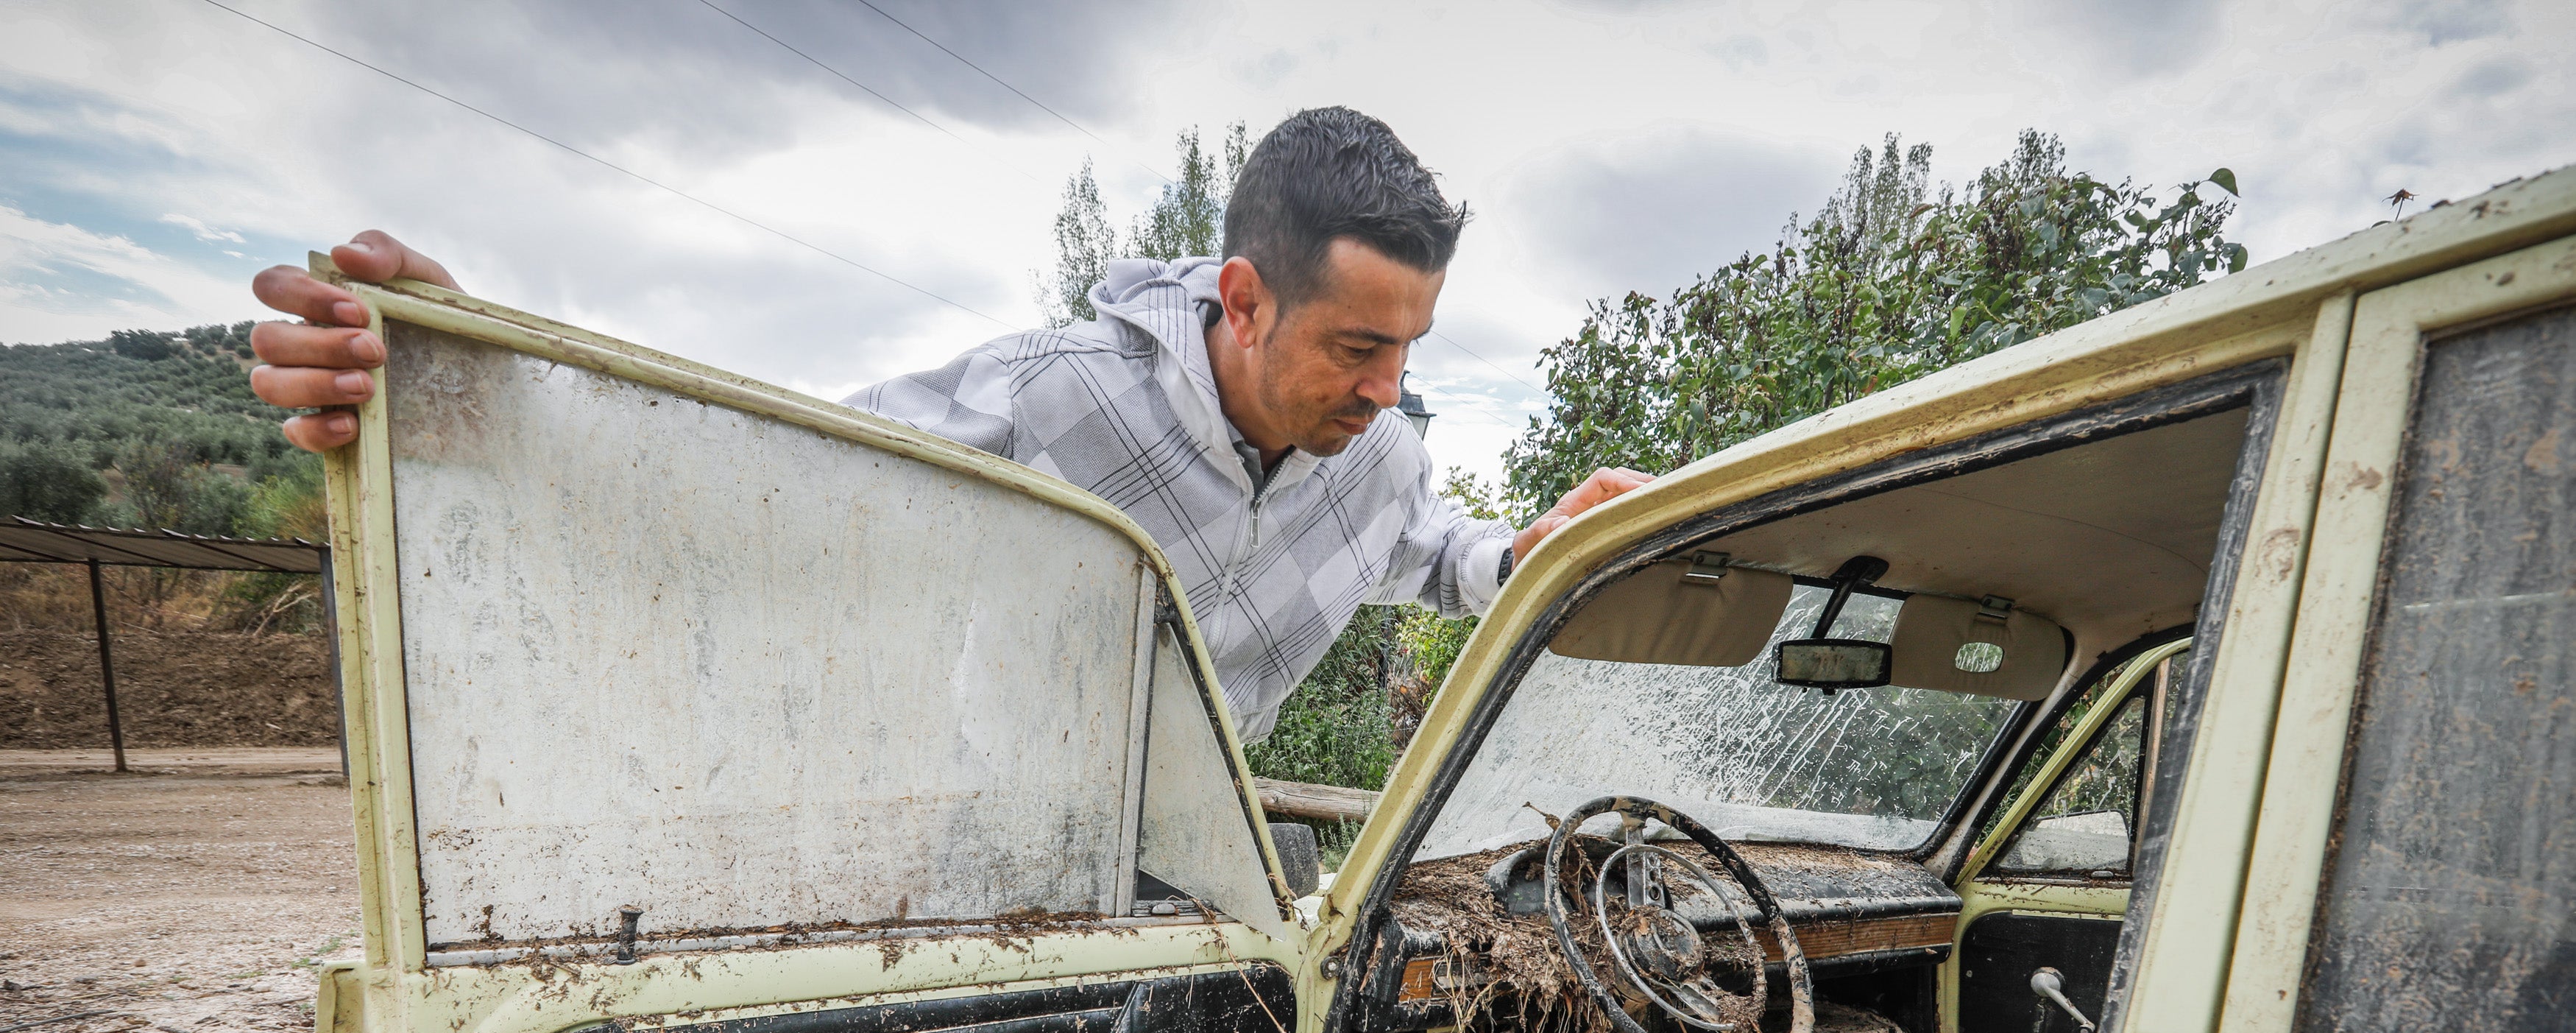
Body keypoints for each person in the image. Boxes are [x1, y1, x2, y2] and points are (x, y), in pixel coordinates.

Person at [245, 107, 1649, 744]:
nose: (1388, 390)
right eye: (1358, 346)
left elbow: (1437, 552)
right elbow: (782, 467)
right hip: (997, 854)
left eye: (1411, 350)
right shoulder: (1050, 394)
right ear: (1242, 299)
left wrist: (1530, 544)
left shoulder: (1382, 456)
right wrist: (485, 393)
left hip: (1209, 875)